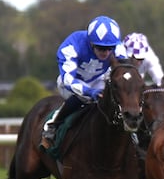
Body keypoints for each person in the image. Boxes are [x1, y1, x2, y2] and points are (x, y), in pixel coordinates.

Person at [41, 15, 127, 149]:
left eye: (109, 48)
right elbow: (68, 80)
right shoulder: (71, 46)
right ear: (91, 43)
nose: (105, 52)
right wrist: (89, 91)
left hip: (99, 80)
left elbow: (125, 72)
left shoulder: (118, 48)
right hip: (71, 84)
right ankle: (52, 125)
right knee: (83, 99)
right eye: (100, 48)